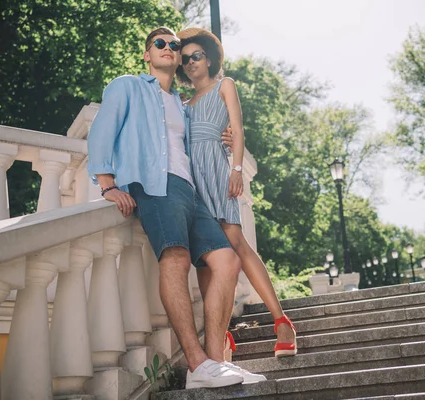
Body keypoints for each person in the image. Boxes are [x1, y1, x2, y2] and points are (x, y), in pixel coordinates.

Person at [87, 26, 264, 388]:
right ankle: (197, 364)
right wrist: (106, 183)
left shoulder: (183, 104)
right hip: (155, 184)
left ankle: (214, 362)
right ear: (147, 54)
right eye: (160, 43)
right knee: (177, 258)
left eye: (175, 45)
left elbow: (202, 137)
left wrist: (226, 139)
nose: (169, 48)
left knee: (227, 261)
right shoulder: (129, 87)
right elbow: (102, 129)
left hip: (190, 190)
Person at [176, 28, 297, 358]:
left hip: (218, 171)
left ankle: (281, 321)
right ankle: (222, 334)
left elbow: (238, 128)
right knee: (205, 259)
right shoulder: (182, 104)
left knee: (236, 241)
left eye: (196, 56)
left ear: (210, 58)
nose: (190, 63)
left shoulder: (223, 86)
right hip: (191, 180)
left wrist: (237, 168)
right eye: (184, 59)